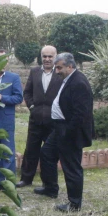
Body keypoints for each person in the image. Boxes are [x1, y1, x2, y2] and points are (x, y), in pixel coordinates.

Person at [33, 53, 94, 212]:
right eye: (56, 67)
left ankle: (74, 204)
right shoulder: (68, 79)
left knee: (71, 167)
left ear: (70, 66)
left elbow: (81, 115)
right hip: (59, 128)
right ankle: (51, 188)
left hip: (70, 131)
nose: (57, 71)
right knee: (46, 153)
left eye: (59, 67)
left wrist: (67, 132)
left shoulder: (79, 82)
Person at [17, 45, 62, 188]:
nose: (47, 59)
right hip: (35, 119)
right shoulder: (34, 71)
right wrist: (31, 107)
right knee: (31, 150)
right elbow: (27, 92)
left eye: (50, 56)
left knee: (49, 154)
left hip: (53, 121)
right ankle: (26, 179)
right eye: (45, 56)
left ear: (56, 56)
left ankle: (48, 183)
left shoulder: (60, 73)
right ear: (41, 57)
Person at [0, 65, 23, 176]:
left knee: (8, 152)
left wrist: (3, 98)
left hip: (6, 119)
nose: (3, 65)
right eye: (0, 61)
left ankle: (8, 181)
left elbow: (18, 97)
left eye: (6, 62)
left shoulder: (14, 77)